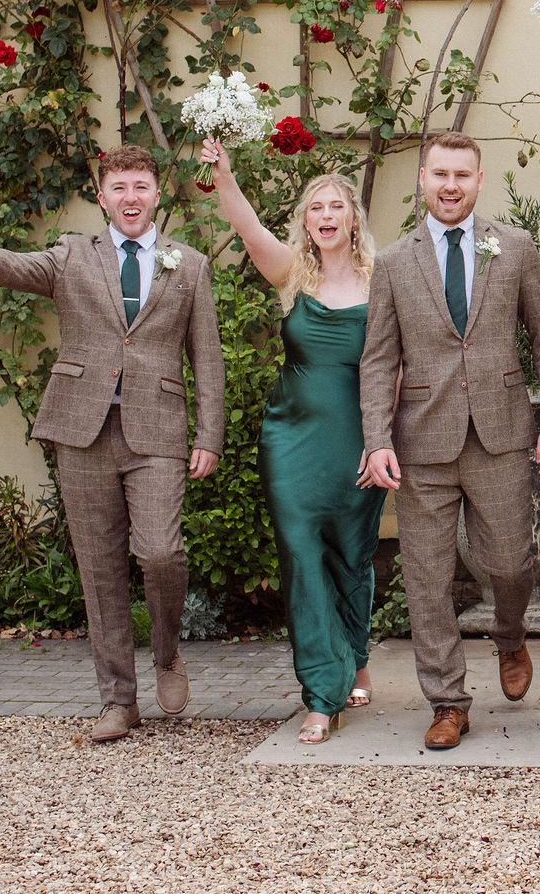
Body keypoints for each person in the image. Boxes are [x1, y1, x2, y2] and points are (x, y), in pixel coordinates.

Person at [0, 147, 225, 744]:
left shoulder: (190, 265)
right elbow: (9, 267)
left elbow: (209, 358)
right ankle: (118, 703)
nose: (130, 197)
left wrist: (209, 435)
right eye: (118, 186)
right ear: (101, 196)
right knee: (99, 571)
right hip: (82, 429)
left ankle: (168, 652)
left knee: (160, 554)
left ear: (157, 195)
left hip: (158, 432)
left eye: (141, 186)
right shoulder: (73, 255)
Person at [357, 130, 540, 752]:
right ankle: (448, 701)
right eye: (440, 175)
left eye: (462, 175)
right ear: (422, 180)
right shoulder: (395, 263)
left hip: (503, 433)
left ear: (479, 181)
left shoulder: (517, 248)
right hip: (420, 441)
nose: (451, 186)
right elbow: (377, 360)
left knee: (509, 563)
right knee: (425, 580)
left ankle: (510, 635)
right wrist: (377, 440)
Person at [200, 139, 384, 745]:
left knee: (351, 555)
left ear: (354, 217)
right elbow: (249, 228)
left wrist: (382, 441)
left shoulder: (381, 282)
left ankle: (352, 657)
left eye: (337, 206)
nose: (326, 216)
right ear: (305, 221)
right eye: (315, 208)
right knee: (303, 556)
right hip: (290, 439)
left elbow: (397, 368)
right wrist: (225, 177)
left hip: (356, 437)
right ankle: (321, 695)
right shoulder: (291, 274)